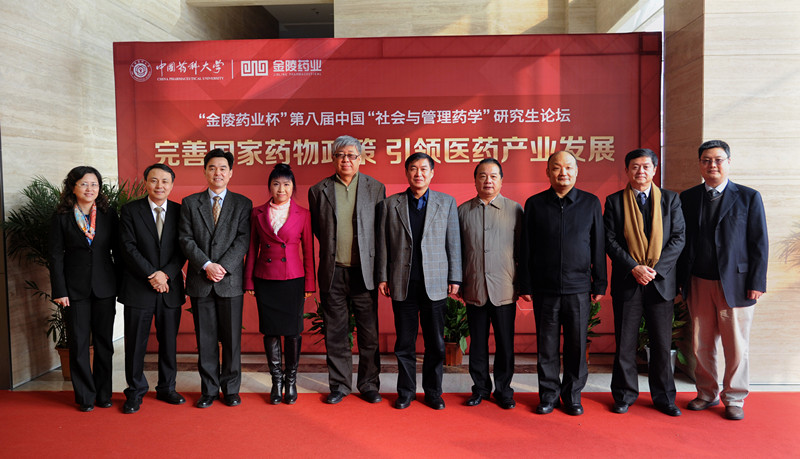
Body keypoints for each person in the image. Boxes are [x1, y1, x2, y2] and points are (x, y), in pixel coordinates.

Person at [677, 140, 768, 421]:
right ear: (700, 164)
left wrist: (757, 282)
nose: (712, 165)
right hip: (698, 281)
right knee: (701, 343)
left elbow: (759, 242)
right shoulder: (688, 197)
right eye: (706, 160)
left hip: (736, 284)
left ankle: (735, 397)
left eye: (718, 160)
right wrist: (680, 281)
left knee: (736, 345)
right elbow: (682, 242)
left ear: (728, 162)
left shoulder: (748, 197)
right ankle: (706, 393)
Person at [519, 151, 607, 416]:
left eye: (568, 167)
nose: (563, 173)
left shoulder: (590, 203)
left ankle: (572, 396)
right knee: (546, 346)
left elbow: (598, 244)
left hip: (578, 287)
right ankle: (548, 395)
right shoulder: (535, 204)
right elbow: (526, 247)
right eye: (556, 168)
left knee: (576, 346)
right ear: (548, 172)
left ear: (577, 171)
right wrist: (526, 284)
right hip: (544, 288)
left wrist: (599, 283)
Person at [377, 152, 462, 410]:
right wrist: (383, 276)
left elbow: (453, 242)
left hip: (435, 283)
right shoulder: (390, 204)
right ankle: (406, 392)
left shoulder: (446, 202)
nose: (418, 174)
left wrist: (455, 276)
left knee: (435, 342)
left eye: (424, 169)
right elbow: (383, 244)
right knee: (404, 343)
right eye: (413, 168)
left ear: (432, 173)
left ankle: (434, 392)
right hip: (402, 283)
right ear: (406, 173)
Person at [604, 148, 685, 417]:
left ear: (654, 170)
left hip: (660, 283)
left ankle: (664, 398)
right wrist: (634, 267)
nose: (641, 171)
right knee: (625, 344)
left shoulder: (671, 200)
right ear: (627, 170)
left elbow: (678, 238)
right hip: (628, 281)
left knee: (661, 344)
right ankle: (624, 395)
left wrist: (655, 271)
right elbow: (610, 240)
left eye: (646, 166)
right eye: (635, 167)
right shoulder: (614, 201)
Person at [308, 135, 385, 405]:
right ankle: (340, 385)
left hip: (364, 272)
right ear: (333, 159)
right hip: (333, 271)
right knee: (336, 332)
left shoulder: (375, 188)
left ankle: (369, 384)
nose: (346, 160)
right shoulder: (318, 190)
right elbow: (318, 229)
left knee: (368, 333)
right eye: (341, 155)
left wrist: (381, 273)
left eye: (351, 155)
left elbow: (381, 232)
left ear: (360, 159)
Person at [179, 149, 252, 408]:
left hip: (229, 281)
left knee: (231, 340)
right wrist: (207, 265)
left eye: (222, 168)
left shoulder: (242, 203)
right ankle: (209, 390)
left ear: (231, 173)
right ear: (205, 171)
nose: (217, 173)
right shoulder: (190, 203)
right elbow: (185, 239)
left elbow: (243, 240)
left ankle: (231, 389)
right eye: (212, 168)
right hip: (201, 280)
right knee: (206, 339)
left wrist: (222, 267)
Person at [49, 166, 119, 412]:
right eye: (84, 184)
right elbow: (55, 255)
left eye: (94, 184)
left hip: (105, 286)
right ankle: (85, 396)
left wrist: (122, 284)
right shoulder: (61, 216)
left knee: (104, 343)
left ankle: (104, 394)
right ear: (73, 187)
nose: (90, 189)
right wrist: (59, 290)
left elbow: (119, 251)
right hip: (74, 289)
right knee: (79, 343)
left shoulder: (109, 215)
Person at [244, 164, 315, 405]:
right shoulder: (257, 213)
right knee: (270, 330)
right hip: (265, 279)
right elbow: (252, 248)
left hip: (293, 279)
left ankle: (291, 381)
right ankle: (276, 381)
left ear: (293, 187)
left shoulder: (303, 214)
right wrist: (249, 280)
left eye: (286, 184)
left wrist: (310, 284)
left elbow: (308, 251)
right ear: (269, 187)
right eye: (276, 184)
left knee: (293, 331)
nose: (281, 189)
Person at [118, 163, 186, 414]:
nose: (159, 186)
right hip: (139, 287)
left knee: (168, 342)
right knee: (136, 343)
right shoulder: (130, 210)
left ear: (172, 185)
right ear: (146, 183)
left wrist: (165, 274)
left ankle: (167, 387)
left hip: (170, 287)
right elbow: (127, 247)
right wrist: (152, 274)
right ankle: (135, 391)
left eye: (165, 181)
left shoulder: (181, 211)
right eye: (154, 180)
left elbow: (184, 248)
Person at [457, 158, 522, 410]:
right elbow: (457, 251)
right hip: (474, 288)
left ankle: (504, 390)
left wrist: (522, 283)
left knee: (505, 344)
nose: (488, 181)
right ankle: (481, 389)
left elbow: (523, 251)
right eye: (482, 176)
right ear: (475, 180)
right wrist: (458, 281)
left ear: (501, 180)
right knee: (478, 344)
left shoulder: (515, 210)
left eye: (493, 176)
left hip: (505, 288)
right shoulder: (462, 211)